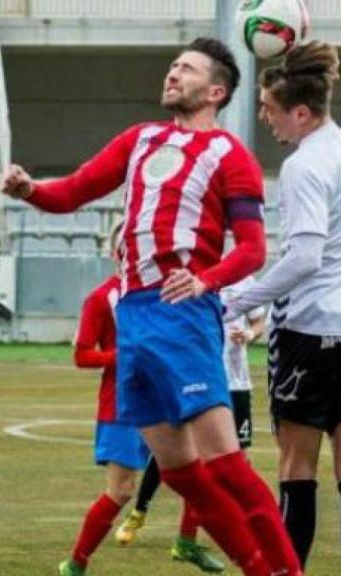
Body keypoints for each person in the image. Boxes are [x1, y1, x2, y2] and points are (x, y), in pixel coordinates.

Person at [0, 37, 301, 576]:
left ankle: (287, 571)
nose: (172, 74)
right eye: (172, 66)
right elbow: (73, 191)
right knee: (181, 473)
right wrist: (29, 191)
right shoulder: (140, 139)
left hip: (182, 315)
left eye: (186, 69)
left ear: (215, 92)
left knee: (226, 466)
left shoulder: (230, 154)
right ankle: (259, 569)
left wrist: (205, 281)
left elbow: (253, 249)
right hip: (133, 319)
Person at [223, 41, 341, 576]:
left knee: (297, 466)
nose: (264, 117)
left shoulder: (303, 164)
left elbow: (305, 257)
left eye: (269, 108)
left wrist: (236, 302)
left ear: (300, 112)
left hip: (311, 330)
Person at [58, 224, 224, 576]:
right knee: (121, 491)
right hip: (121, 407)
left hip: (167, 400)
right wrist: (126, 355)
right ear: (115, 252)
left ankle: (186, 542)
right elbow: (82, 355)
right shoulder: (101, 299)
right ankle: (76, 563)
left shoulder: (165, 291)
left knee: (199, 473)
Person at [115, 274, 266, 545]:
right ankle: (140, 510)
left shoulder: (245, 280)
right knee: (176, 452)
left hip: (236, 382)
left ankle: (189, 538)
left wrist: (249, 334)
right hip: (196, 377)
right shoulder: (193, 275)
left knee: (237, 459)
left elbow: (259, 323)